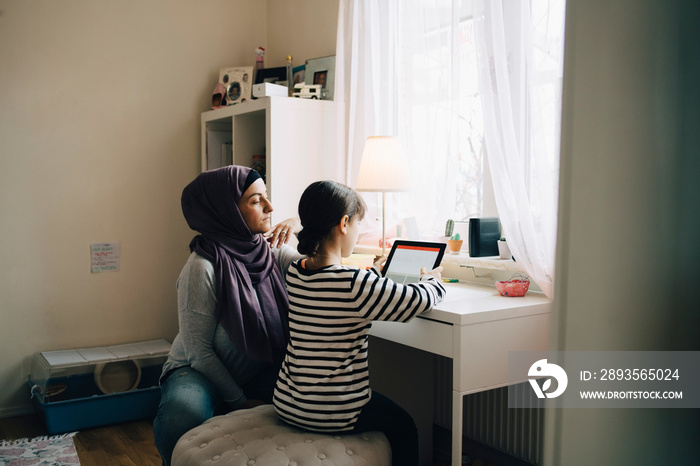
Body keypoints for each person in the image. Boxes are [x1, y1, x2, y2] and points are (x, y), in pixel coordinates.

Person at [273, 180, 446, 466]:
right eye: (357, 225)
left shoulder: (295, 271)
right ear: (343, 224)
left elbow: (340, 290)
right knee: (406, 427)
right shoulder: (355, 283)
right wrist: (433, 280)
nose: (357, 232)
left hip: (289, 402)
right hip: (334, 412)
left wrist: (374, 274)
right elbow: (419, 300)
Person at [153, 166, 302, 465]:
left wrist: (300, 224)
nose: (270, 208)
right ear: (227, 210)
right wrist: (239, 402)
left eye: (267, 197)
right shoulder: (202, 266)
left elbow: (315, 267)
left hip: (257, 370)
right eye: (256, 200)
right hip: (196, 371)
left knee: (307, 402)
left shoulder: (271, 251)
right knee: (184, 415)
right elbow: (198, 352)